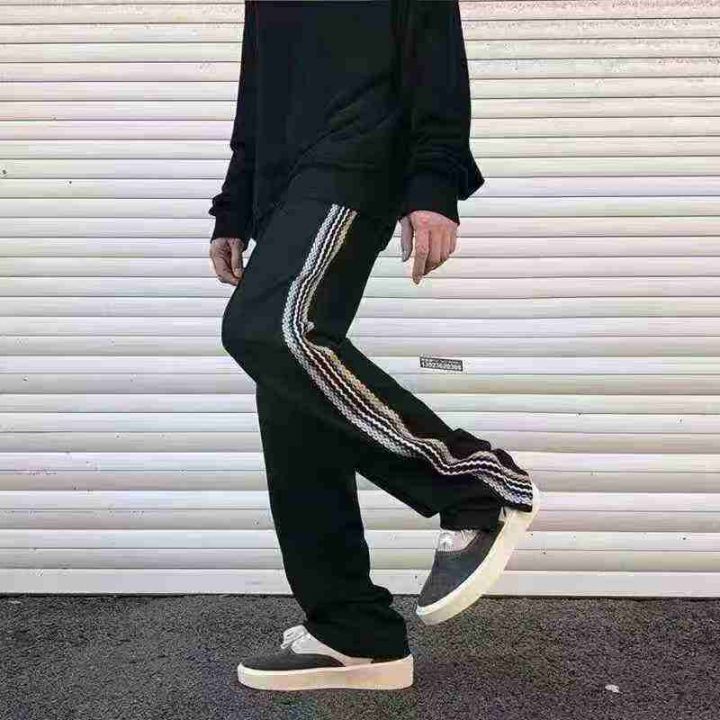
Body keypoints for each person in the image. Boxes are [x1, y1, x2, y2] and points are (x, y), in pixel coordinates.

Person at [208, 0, 539, 692]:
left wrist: (434, 185)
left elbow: (437, 60)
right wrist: (234, 205)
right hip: (283, 184)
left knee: (270, 328)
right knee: (291, 397)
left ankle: (476, 485)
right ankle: (351, 632)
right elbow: (258, 89)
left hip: (356, 159)